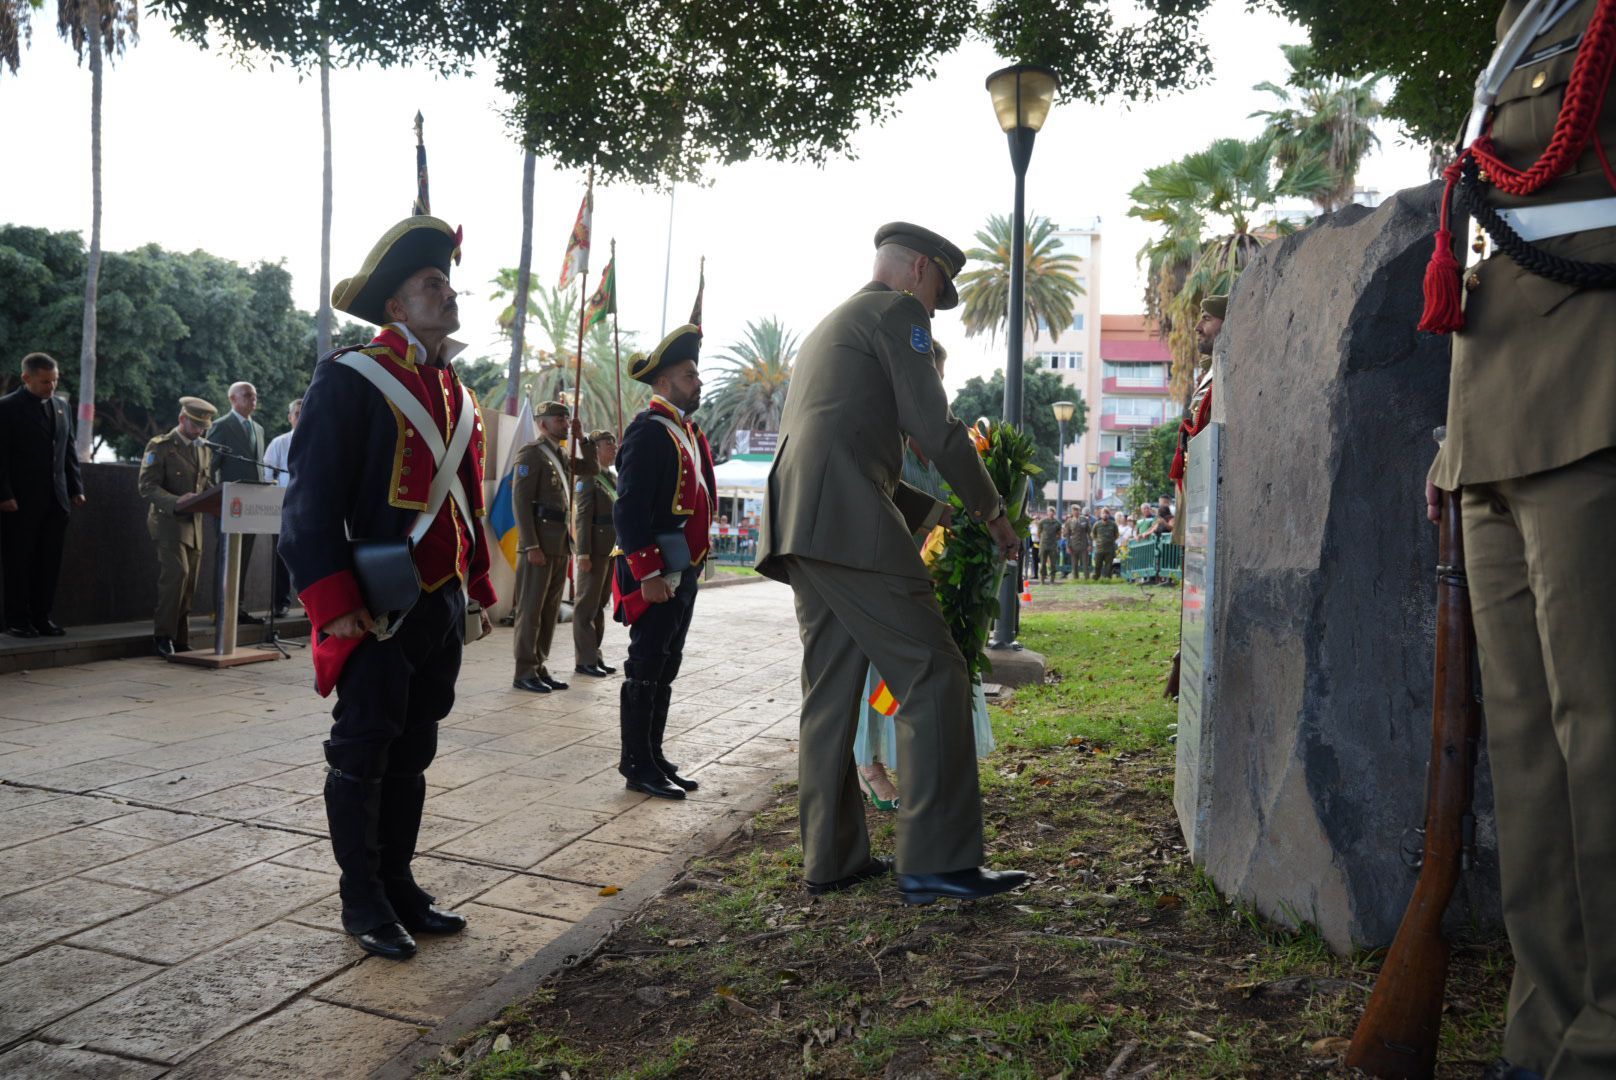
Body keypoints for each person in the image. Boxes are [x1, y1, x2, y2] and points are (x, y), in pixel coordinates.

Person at [1421, 4, 1616, 1076]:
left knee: (1602, 734)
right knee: (1531, 751)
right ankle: (1546, 1028)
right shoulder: (1522, 18)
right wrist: (1452, 438)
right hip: (1492, 411)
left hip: (1594, 393)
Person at [757, 221, 1026, 905]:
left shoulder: (833, 322)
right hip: (847, 521)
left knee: (829, 695)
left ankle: (833, 857)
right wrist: (993, 512)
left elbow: (842, 434)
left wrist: (934, 515)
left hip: (801, 521)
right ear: (919, 271)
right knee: (935, 673)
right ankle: (939, 862)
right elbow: (932, 428)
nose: (936, 306)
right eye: (939, 289)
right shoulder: (899, 313)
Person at [279, 215, 496, 961]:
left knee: (415, 747)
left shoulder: (455, 393)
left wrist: (477, 586)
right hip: (373, 604)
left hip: (437, 600)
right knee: (363, 749)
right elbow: (309, 502)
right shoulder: (352, 375)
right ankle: (361, 898)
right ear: (396, 308)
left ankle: (400, 883)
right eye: (431, 284)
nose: (447, 291)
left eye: (447, 281)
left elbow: (465, 495)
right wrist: (333, 607)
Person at [855, 341, 996, 812]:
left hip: (923, 568)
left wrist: (964, 520)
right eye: (929, 379)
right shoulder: (879, 428)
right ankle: (869, 764)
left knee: (914, 666)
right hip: (874, 563)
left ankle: (908, 764)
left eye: (938, 380)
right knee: (878, 668)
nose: (935, 392)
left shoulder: (923, 436)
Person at [611, 326, 715, 800]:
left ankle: (653, 754)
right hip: (655, 572)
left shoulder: (687, 431)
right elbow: (628, 507)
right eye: (690, 374)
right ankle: (636, 764)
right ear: (664, 381)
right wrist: (649, 573)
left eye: (697, 373)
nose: (698, 382)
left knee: (666, 666)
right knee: (645, 665)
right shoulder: (647, 431)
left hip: (683, 569)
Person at [0, 352, 85, 638]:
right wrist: (4, 493)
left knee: (49, 562)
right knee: (19, 561)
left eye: (54, 381)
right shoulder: (7, 408)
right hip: (20, 501)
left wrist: (76, 488)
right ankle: (16, 619)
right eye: (45, 381)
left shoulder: (62, 407)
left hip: (56, 499)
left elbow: (68, 450)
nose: (51, 387)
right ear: (26, 378)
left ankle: (42, 616)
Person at [511, 400, 589, 694]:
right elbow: (520, 502)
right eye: (559, 419)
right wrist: (530, 544)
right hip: (538, 545)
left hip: (559, 545)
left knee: (548, 611)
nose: (566, 423)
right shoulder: (531, 453)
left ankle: (539, 664)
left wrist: (582, 439)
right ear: (543, 423)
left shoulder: (562, 454)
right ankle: (524, 670)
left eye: (567, 418)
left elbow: (591, 468)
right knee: (530, 611)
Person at [137, 396, 217, 656]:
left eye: (203, 427)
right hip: (168, 521)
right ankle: (162, 635)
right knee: (176, 576)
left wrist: (219, 498)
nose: (199, 431)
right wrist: (175, 501)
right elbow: (147, 487)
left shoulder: (204, 448)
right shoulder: (160, 446)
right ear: (182, 419)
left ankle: (180, 638)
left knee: (190, 581)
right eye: (195, 425)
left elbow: (205, 486)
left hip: (195, 525)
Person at [208, 381, 269, 626]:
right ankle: (219, 610)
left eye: (254, 396)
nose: (252, 400)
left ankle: (238, 608)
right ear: (233, 398)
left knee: (243, 558)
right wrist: (214, 498)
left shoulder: (259, 429)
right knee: (226, 556)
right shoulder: (221, 426)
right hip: (229, 504)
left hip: (252, 505)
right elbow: (210, 466)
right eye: (247, 395)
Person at [572, 429, 618, 678]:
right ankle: (584, 660)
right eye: (607, 444)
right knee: (586, 606)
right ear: (595, 449)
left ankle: (595, 655)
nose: (614, 447)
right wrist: (583, 554)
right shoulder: (589, 477)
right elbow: (582, 517)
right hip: (594, 551)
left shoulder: (611, 477)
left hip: (610, 550)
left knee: (599, 604)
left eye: (614, 443)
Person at [262, 397, 301, 618]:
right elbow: (268, 475)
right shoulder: (279, 443)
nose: (301, 417)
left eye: (305, 412)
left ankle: (310, 606)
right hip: (282, 507)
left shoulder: (320, 441)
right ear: (289, 418)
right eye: (297, 414)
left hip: (310, 509)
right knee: (281, 556)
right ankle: (281, 602)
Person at [1091, 508, 1119, 580]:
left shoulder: (1113, 524)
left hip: (1109, 549)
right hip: (1099, 548)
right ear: (1101, 515)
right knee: (1097, 565)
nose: (1105, 515)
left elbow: (1117, 535)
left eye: (1106, 513)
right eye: (1103, 513)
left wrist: (1111, 540)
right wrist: (1098, 541)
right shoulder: (1097, 524)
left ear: (1109, 515)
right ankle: (1096, 578)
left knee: (1108, 566)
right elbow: (1093, 534)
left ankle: (1107, 579)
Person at [1036, 508, 1061, 585]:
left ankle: (1052, 580)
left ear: (1054, 513)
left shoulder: (1057, 523)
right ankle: (1042, 580)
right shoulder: (1042, 522)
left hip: (1053, 545)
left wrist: (1054, 539)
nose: (1051, 513)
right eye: (1050, 512)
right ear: (1047, 513)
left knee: (1053, 564)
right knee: (1043, 563)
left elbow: (1059, 534)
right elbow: (1038, 533)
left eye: (1053, 512)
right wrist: (1043, 540)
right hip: (1043, 545)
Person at [1063, 507, 1090, 579]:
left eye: (1077, 510)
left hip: (1084, 544)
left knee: (1085, 563)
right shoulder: (1069, 521)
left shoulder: (1085, 520)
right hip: (1073, 545)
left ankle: (1087, 579)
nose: (1076, 512)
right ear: (1072, 512)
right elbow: (1067, 535)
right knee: (1074, 564)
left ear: (1080, 511)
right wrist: (1068, 546)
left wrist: (1090, 544)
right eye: (1074, 510)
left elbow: (1089, 533)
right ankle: (1075, 578)